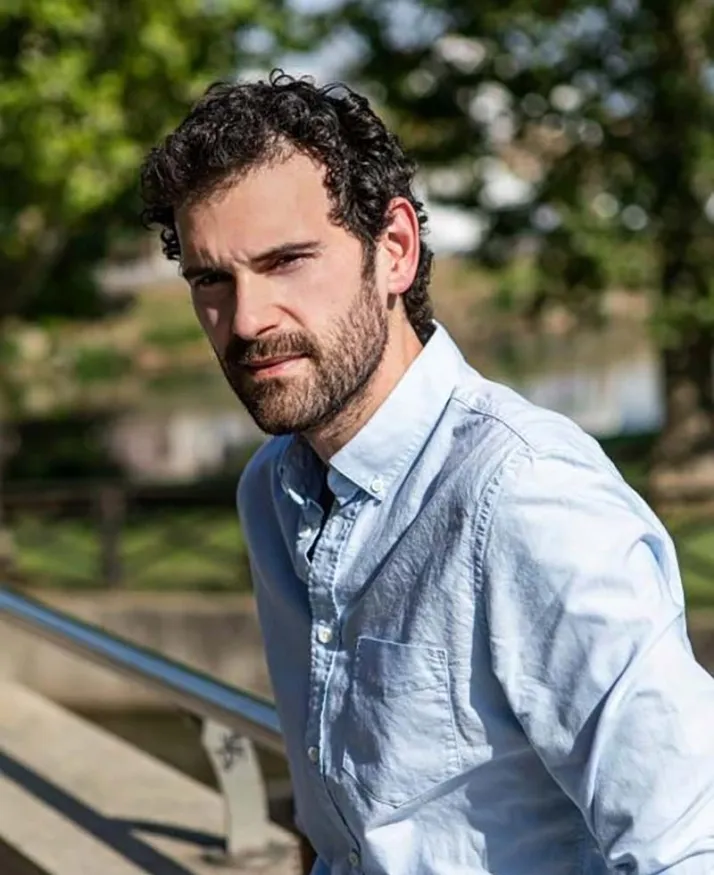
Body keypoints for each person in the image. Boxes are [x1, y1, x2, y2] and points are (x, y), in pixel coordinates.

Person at [140, 70, 714, 875]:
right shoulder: (273, 491)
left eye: (288, 261)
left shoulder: (524, 494)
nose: (247, 319)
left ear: (395, 251)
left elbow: (687, 842)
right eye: (212, 279)